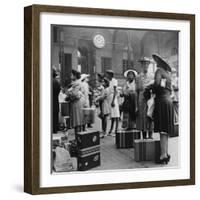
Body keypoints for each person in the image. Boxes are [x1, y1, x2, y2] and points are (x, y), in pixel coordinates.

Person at [152, 54, 174, 164]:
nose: (156, 63)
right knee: (166, 130)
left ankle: (162, 155)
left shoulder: (159, 71)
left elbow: (156, 85)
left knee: (162, 130)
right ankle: (166, 153)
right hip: (169, 101)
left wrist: (150, 87)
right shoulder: (168, 74)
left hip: (161, 101)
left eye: (157, 61)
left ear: (160, 63)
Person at [136, 57, 154, 139]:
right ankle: (144, 136)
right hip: (141, 98)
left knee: (150, 115)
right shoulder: (138, 77)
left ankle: (150, 135)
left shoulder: (152, 76)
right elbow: (137, 91)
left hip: (150, 98)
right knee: (142, 117)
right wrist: (136, 105)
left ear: (149, 65)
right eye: (144, 64)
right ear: (141, 65)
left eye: (147, 64)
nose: (145, 65)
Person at [66, 69, 84, 139]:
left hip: (76, 104)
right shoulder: (74, 83)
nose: (70, 76)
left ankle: (78, 139)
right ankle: (78, 139)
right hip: (75, 104)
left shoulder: (77, 83)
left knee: (77, 123)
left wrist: (68, 94)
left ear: (75, 75)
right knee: (76, 123)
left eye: (71, 75)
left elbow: (74, 94)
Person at [106, 70, 120, 136]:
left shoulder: (114, 81)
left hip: (113, 98)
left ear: (110, 75)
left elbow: (115, 91)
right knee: (112, 115)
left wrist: (113, 101)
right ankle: (111, 129)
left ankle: (116, 130)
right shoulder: (110, 81)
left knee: (116, 115)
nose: (107, 76)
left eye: (108, 74)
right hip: (110, 98)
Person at [53, 68, 61, 133]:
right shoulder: (57, 82)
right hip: (56, 101)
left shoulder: (50, 81)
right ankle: (55, 129)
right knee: (55, 116)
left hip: (51, 101)